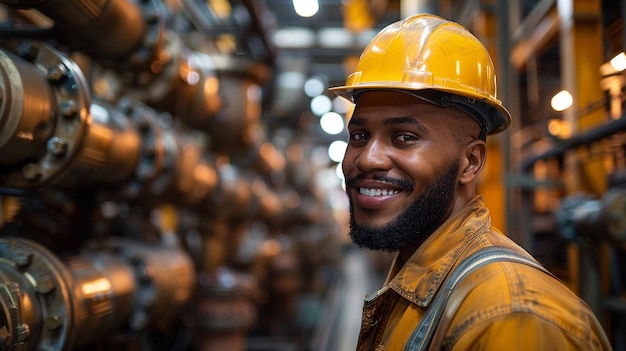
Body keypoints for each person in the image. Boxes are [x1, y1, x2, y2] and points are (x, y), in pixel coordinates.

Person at [330, 13, 612, 351]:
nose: (367, 158)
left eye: (404, 137)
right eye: (360, 135)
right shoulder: (414, 278)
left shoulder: (513, 317)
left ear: (471, 162)